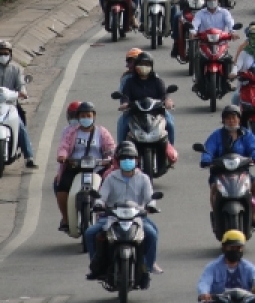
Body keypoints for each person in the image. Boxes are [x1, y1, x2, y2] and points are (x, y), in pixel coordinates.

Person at [85, 142, 159, 287]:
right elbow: (102, 196)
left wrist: (150, 206)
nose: (128, 161)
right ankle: (96, 265)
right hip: (112, 217)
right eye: (124, 158)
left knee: (152, 234)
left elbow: (150, 198)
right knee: (90, 233)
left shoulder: (143, 178)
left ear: (137, 160)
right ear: (118, 161)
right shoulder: (111, 177)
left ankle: (146, 269)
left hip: (137, 217)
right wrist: (99, 204)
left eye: (131, 158)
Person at [54, 100, 116, 232]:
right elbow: (63, 146)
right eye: (82, 116)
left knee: (111, 187)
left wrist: (109, 158)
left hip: (98, 168)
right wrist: (62, 156)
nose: (86, 118)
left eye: (88, 116)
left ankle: (108, 217)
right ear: (78, 117)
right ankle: (66, 219)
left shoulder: (102, 132)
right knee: (61, 188)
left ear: (94, 116)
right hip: (74, 167)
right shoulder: (71, 132)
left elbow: (111, 148)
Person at [200, 105, 255, 225]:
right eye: (228, 118)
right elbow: (208, 149)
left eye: (234, 118)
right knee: (215, 188)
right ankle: (216, 217)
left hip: (242, 172)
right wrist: (206, 159)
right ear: (223, 120)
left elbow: (254, 147)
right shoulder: (216, 135)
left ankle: (253, 215)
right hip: (220, 173)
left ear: (239, 119)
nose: (231, 121)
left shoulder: (247, 135)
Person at [117, 51, 177, 147]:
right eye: (141, 64)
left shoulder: (158, 81)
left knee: (170, 123)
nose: (144, 67)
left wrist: (167, 101)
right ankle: (121, 152)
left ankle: (170, 149)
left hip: (156, 113)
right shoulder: (129, 82)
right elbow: (125, 97)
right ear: (136, 66)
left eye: (147, 64)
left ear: (151, 66)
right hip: (135, 113)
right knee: (123, 125)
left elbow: (164, 95)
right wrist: (125, 104)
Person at [197, 230, 255, 301]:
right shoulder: (212, 267)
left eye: (238, 248)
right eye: (232, 247)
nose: (235, 250)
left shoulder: (249, 267)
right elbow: (204, 282)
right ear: (224, 247)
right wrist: (204, 293)